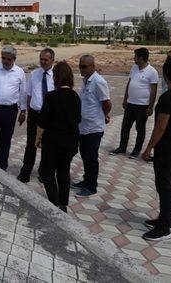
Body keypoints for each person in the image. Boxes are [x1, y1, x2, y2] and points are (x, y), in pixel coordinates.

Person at [141, 57, 171, 241]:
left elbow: (160, 127)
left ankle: (164, 228)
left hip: (167, 149)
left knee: (164, 187)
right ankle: (166, 219)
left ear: (165, 75)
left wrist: (147, 150)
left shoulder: (167, 98)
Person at [35, 61, 81, 212]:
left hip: (53, 142)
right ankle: (63, 204)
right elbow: (78, 119)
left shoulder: (51, 96)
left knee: (47, 172)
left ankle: (54, 203)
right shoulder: (75, 97)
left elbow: (42, 122)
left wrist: (38, 138)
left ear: (56, 77)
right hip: (70, 142)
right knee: (63, 171)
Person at [71, 55, 112, 197]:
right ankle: (86, 180)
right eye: (80, 66)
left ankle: (91, 186)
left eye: (84, 67)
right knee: (85, 156)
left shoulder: (98, 82)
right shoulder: (86, 81)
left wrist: (103, 115)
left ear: (93, 66)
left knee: (91, 158)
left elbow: (107, 103)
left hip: (94, 127)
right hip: (83, 126)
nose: (81, 69)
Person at [110, 47, 158, 158]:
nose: (133, 59)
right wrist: (125, 98)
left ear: (141, 58)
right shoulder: (134, 68)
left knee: (140, 128)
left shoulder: (152, 72)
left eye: (135, 56)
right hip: (131, 103)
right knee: (125, 126)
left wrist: (150, 107)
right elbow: (129, 83)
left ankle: (136, 150)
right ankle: (122, 147)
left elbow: (154, 91)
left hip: (143, 105)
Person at [17, 48, 55, 183]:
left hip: (50, 117)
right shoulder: (34, 74)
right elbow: (29, 95)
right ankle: (25, 173)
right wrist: (26, 111)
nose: (43, 62)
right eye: (41, 59)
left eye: (46, 59)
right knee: (31, 144)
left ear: (52, 60)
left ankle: (44, 173)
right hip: (35, 114)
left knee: (48, 146)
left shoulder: (57, 76)